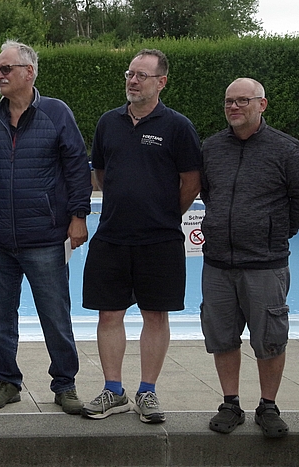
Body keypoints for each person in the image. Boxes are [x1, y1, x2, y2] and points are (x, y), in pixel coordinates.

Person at [81, 49, 202, 424]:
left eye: (142, 76)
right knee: (109, 314)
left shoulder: (178, 127)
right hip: (112, 235)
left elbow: (191, 182)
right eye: (130, 74)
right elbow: (101, 173)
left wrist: (164, 214)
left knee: (155, 314)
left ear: (161, 82)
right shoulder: (108, 123)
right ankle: (112, 390)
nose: (133, 81)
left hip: (160, 239)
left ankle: (147, 391)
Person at [0, 40, 92, 415]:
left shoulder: (56, 113)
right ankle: (7, 381)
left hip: (44, 237)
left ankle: (65, 384)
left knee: (55, 315)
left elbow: (77, 167)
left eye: (6, 69)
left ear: (29, 72)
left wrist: (78, 216)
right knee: (0, 317)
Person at [200, 78, 299, 438]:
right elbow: (208, 193)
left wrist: (277, 232)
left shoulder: (286, 149)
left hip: (265, 264)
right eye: (228, 101)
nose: (234, 107)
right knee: (222, 337)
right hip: (218, 262)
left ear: (261, 105)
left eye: (242, 101)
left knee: (269, 338)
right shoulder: (211, 148)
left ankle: (268, 406)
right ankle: (230, 402)